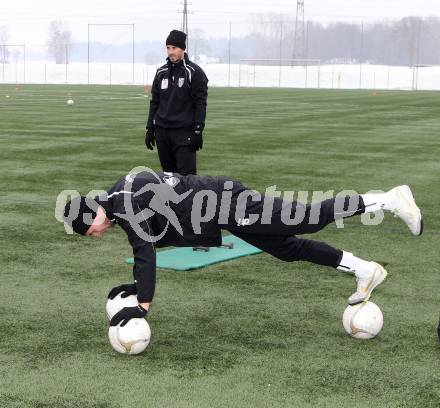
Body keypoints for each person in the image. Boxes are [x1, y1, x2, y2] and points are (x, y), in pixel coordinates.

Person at [62, 169, 423, 327]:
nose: (94, 235)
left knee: (308, 218)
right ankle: (364, 270)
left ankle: (388, 199)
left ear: (91, 212)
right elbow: (151, 237)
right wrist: (138, 286)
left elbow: (144, 249)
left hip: (228, 204)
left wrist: (142, 304)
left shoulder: (123, 202)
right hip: (222, 210)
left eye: (89, 229)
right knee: (288, 249)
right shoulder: (118, 197)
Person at [145, 30, 208, 176]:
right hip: (162, 133)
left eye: (174, 48)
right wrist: (150, 129)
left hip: (183, 133)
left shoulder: (194, 72)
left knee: (187, 179)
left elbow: (201, 103)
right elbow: (154, 102)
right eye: (168, 48)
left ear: (183, 49)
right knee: (169, 179)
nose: (171, 52)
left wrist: (198, 131)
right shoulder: (161, 72)